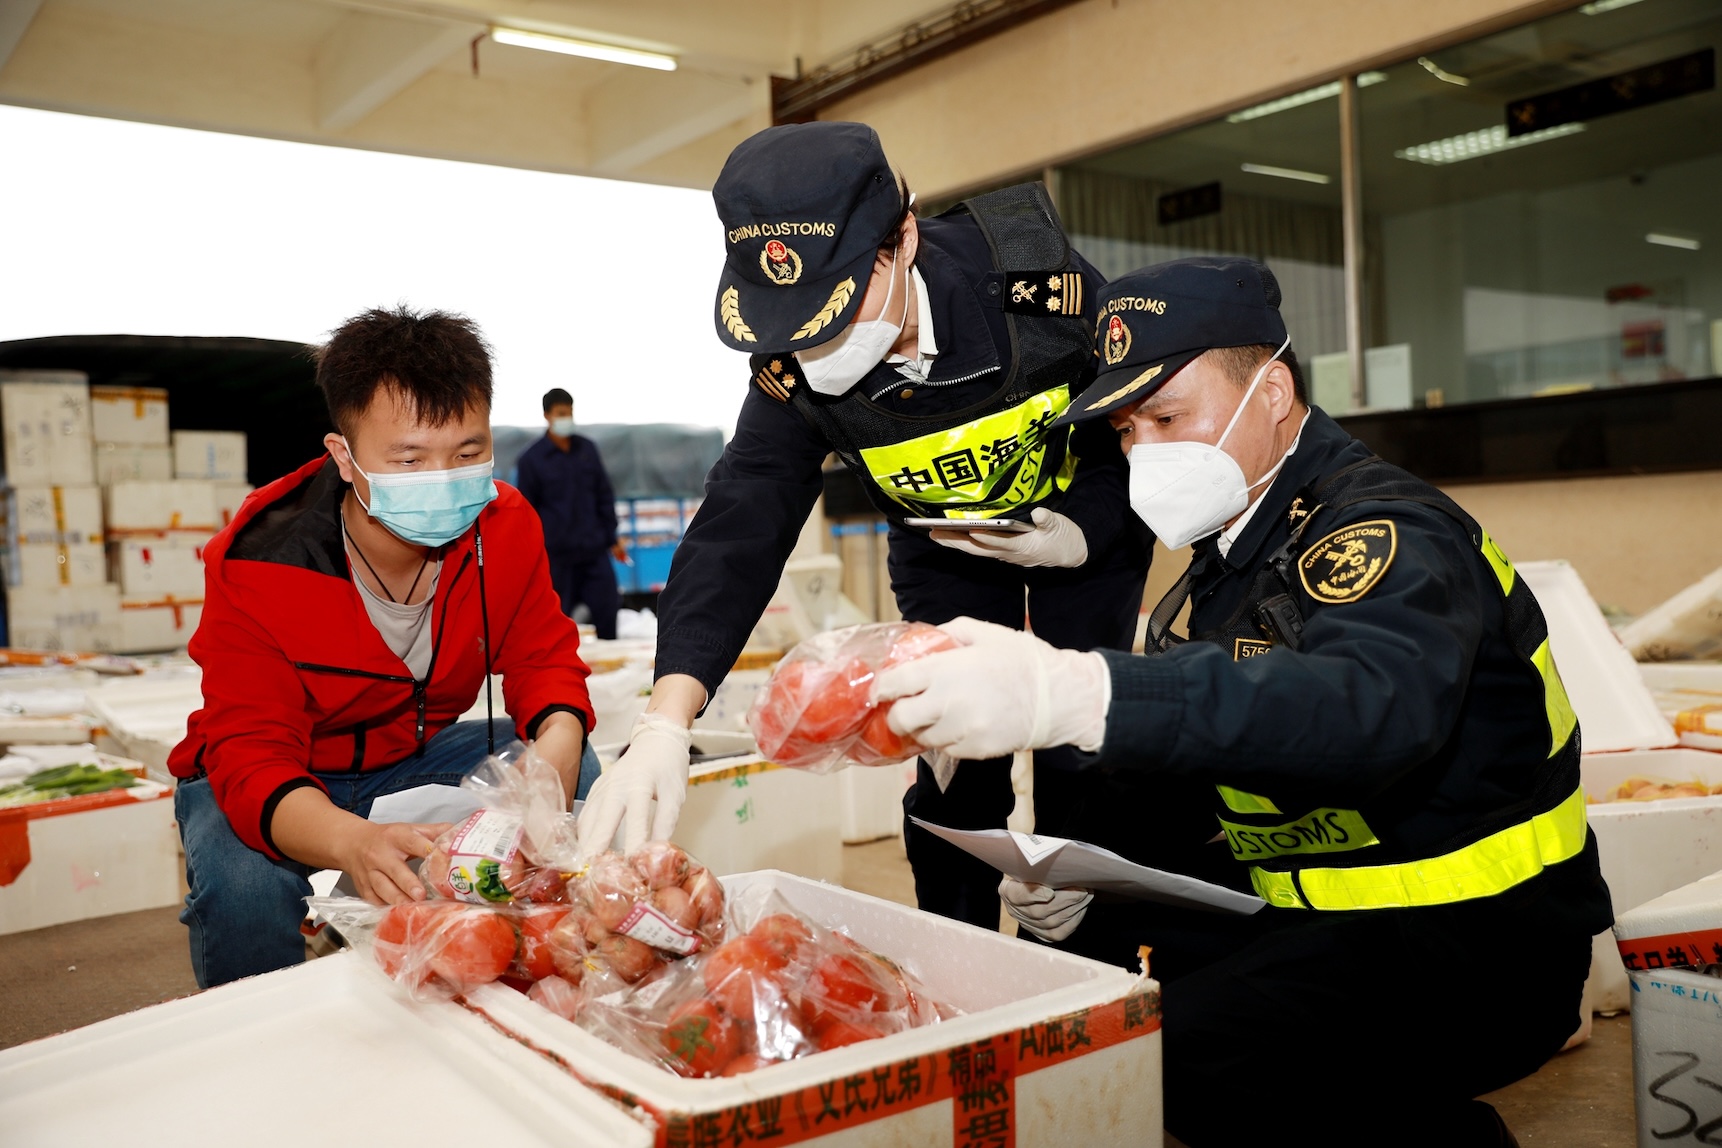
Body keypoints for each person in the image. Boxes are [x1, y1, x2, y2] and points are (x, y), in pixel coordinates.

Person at [872, 257, 1614, 1147]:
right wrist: (1079, 873)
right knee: (1082, 998)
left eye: (1169, 417)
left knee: (1180, 1056)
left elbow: (1363, 710)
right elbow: (1219, 759)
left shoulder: (1385, 532)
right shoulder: (1237, 549)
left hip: (1476, 945)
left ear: (1274, 391)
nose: (1145, 452)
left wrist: (1078, 689)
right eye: (1126, 430)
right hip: (1328, 907)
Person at [576, 122, 1152, 933]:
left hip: (1083, 534)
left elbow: (1146, 414)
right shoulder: (794, 366)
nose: (814, 343)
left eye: (834, 307)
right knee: (956, 769)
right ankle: (957, 960)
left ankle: (1098, 975)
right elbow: (743, 519)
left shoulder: (1030, 280)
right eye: (792, 318)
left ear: (903, 239)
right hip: (944, 546)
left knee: (1084, 756)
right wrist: (668, 720)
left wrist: (1083, 531)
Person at [169, 306, 600, 990]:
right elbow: (251, 750)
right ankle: (265, 1053)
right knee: (242, 888)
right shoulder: (261, 563)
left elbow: (544, 657)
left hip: (411, 750)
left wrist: (557, 746)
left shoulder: (505, 526)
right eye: (409, 459)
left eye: (467, 454)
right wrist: (349, 841)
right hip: (289, 770)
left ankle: (554, 981)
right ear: (344, 455)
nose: (446, 478)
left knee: (580, 770)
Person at [516, 388, 627, 639]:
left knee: (607, 608)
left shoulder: (587, 450)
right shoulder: (531, 460)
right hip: (557, 556)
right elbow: (526, 512)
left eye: (570, 412)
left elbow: (604, 495)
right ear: (547, 415)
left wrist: (612, 537)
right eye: (561, 413)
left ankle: (609, 665)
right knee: (556, 619)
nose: (567, 418)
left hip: (594, 551)